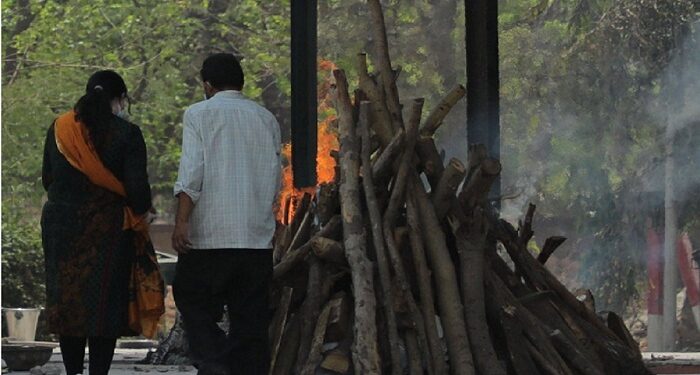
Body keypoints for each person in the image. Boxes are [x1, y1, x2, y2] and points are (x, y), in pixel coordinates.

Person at [41, 70, 159, 375]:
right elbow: (137, 189)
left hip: (61, 228)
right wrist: (144, 210)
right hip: (107, 229)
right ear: (118, 99)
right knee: (104, 304)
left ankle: (71, 371)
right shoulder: (126, 134)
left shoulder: (60, 128)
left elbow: (47, 178)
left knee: (69, 301)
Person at [172, 53, 281, 375]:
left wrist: (181, 222)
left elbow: (192, 174)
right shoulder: (266, 118)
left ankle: (216, 362)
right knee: (250, 321)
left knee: (192, 300)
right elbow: (275, 180)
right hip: (254, 239)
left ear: (207, 85)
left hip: (209, 238)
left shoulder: (198, 115)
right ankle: (239, 366)